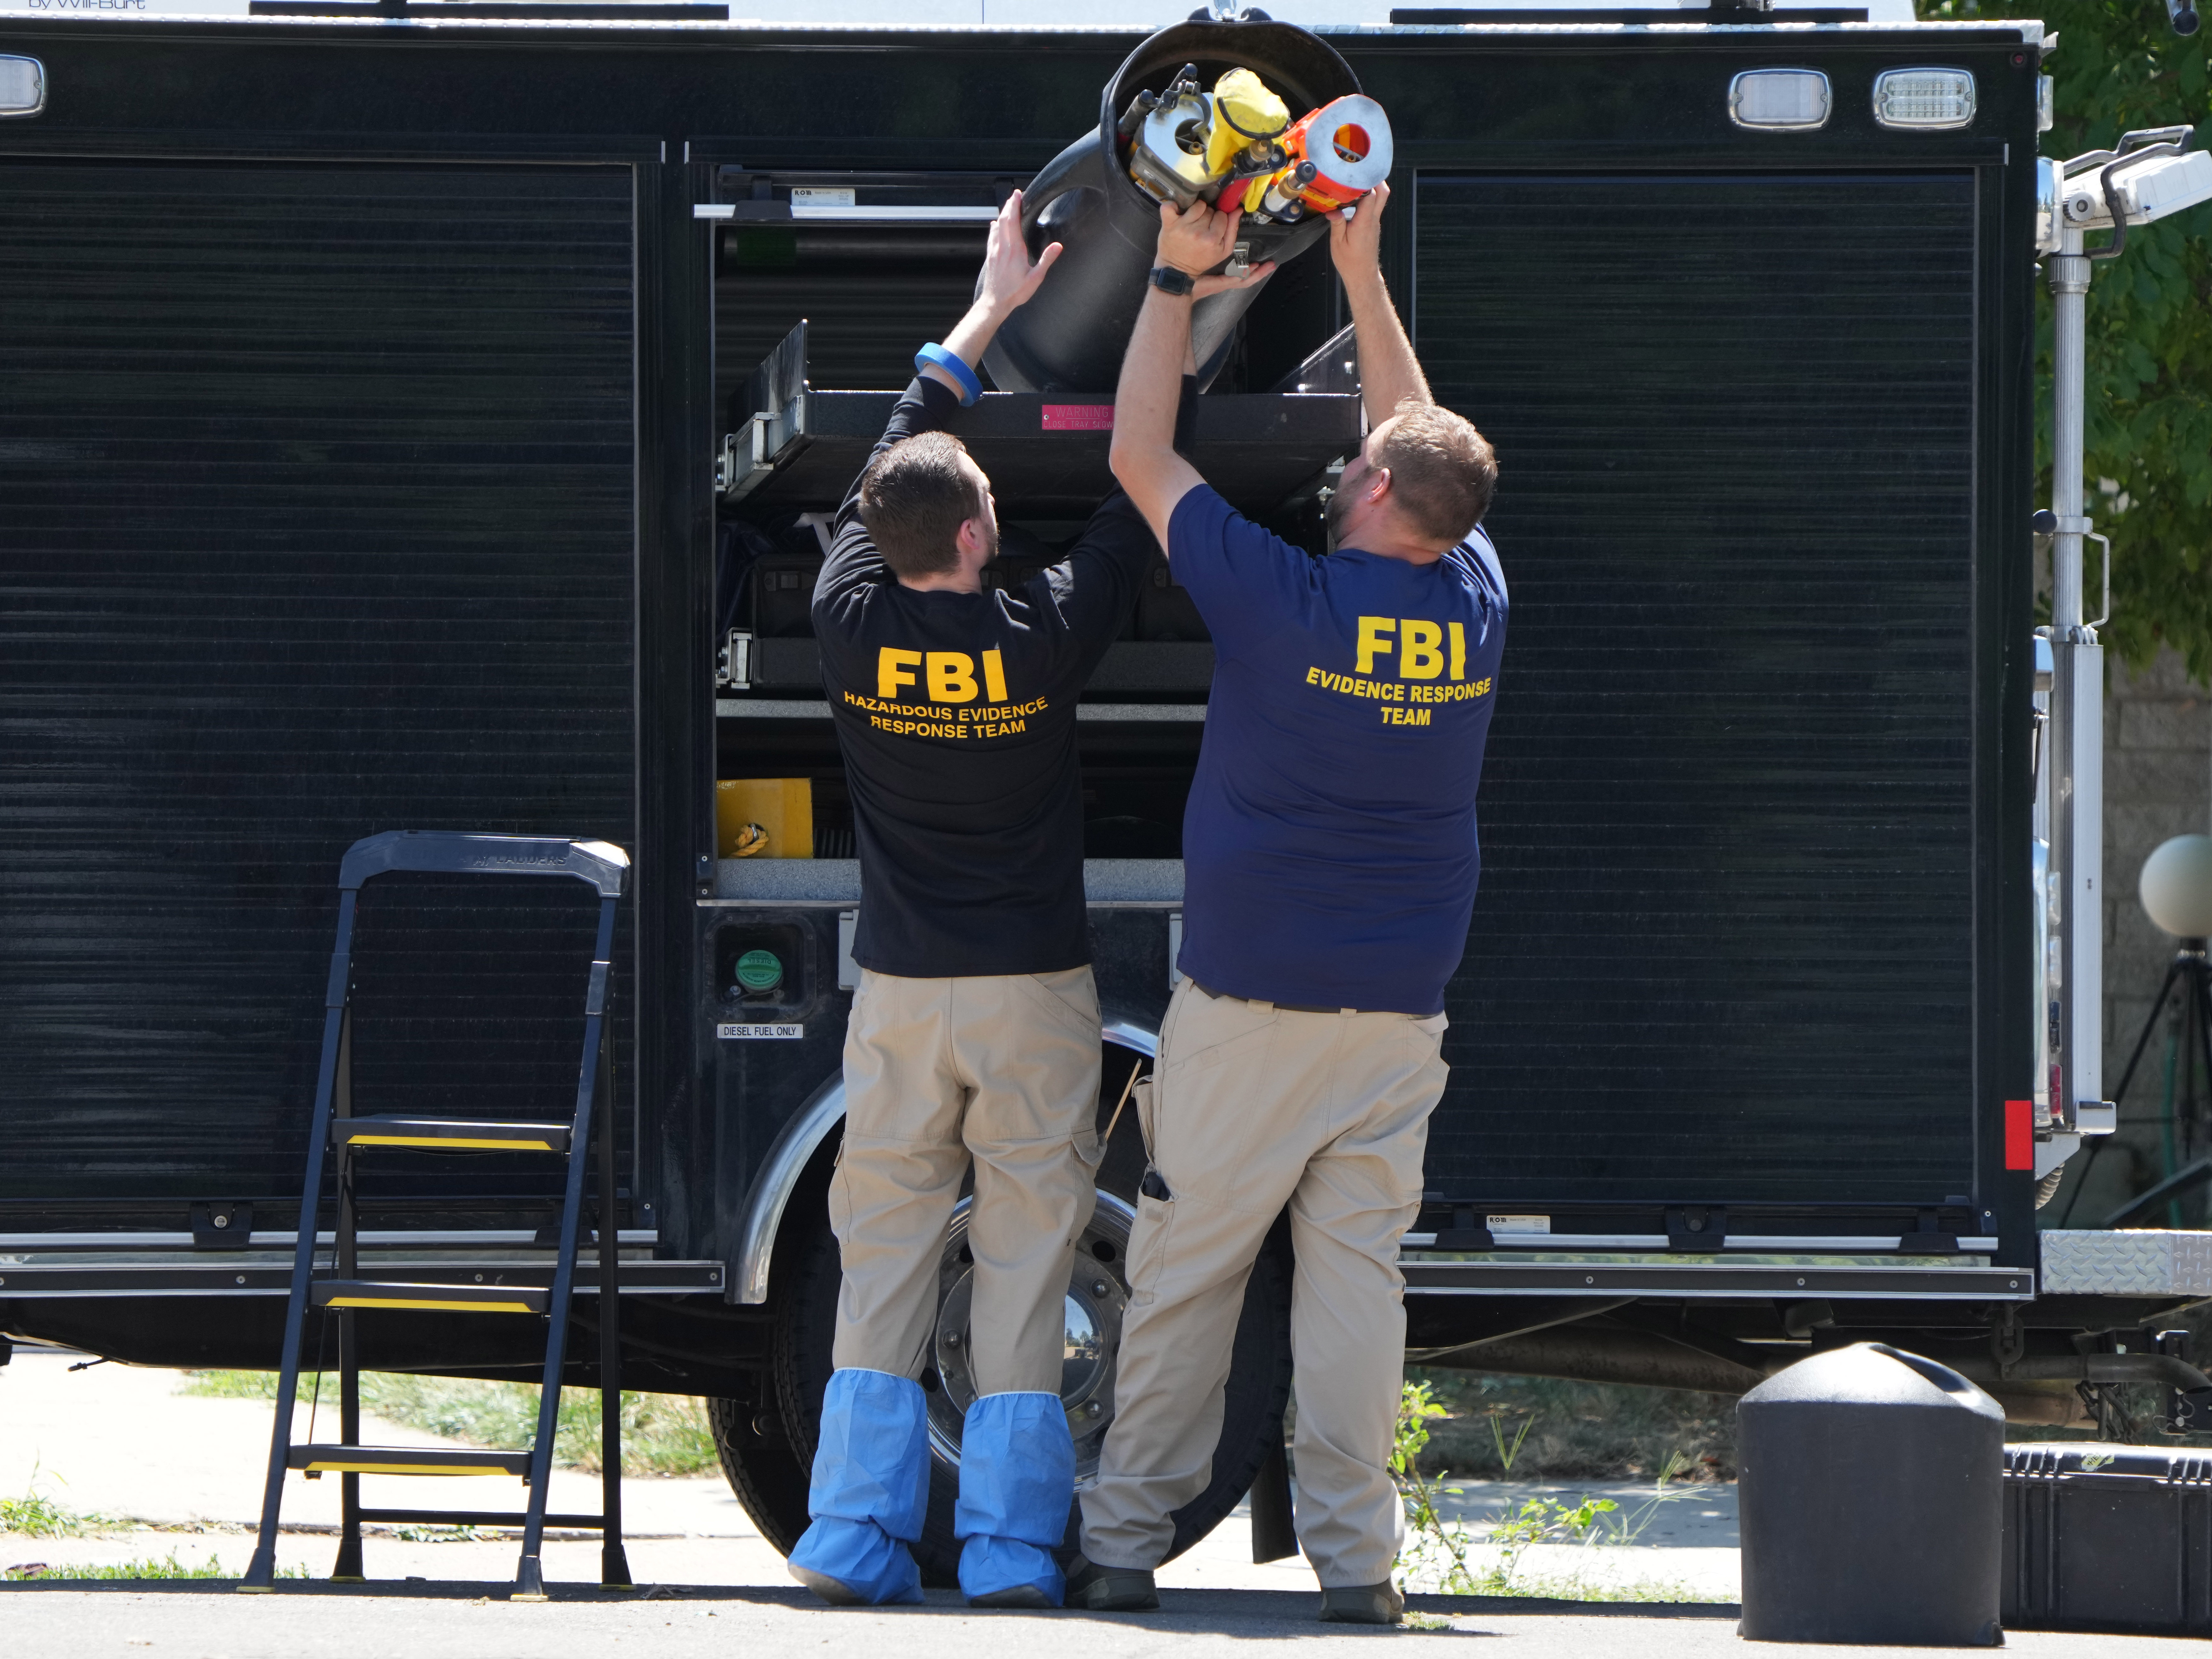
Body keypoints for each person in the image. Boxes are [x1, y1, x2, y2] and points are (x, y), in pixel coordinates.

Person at [784, 192, 1266, 1611]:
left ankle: (850, 1544)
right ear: (984, 535)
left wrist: (989, 310)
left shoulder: (847, 614)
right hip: (1034, 994)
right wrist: (1190, 300)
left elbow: (898, 448)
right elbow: (1142, 480)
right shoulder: (1046, 631)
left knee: (880, 1258)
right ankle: (1003, 1553)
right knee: (1023, 1257)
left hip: (904, 994)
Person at [1067, 180, 1505, 1625]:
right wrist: (1366, 284)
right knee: (1355, 1295)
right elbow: (1421, 435)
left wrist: (1178, 280)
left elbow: (1139, 450)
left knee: (1189, 1269)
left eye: (1366, 460)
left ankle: (1124, 1541)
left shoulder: (1284, 600)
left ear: (1373, 491)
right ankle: (1358, 1568)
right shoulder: (1475, 602)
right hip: (1395, 1021)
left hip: (1253, 1008)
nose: (1352, 464)